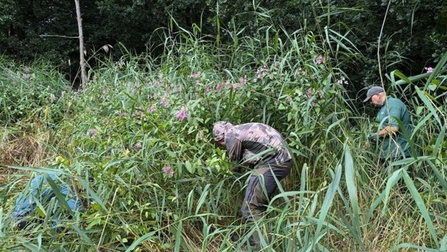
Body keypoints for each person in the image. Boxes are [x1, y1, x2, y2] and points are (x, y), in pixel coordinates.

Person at [212, 121, 292, 249]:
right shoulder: (242, 129)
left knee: (250, 208)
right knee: (258, 204)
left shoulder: (231, 136)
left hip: (273, 163)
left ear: (220, 138)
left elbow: (235, 166)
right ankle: (255, 238)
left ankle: (263, 246)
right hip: (283, 160)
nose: (223, 146)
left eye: (220, 144)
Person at [11, 171, 81, 232]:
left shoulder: (57, 174)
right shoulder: (65, 183)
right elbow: (72, 208)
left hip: (19, 211)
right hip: (26, 215)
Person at [363, 86, 413, 164]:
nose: (371, 102)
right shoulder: (382, 108)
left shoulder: (393, 104)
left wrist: (374, 135)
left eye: (370, 99)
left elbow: (393, 128)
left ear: (378, 95)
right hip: (387, 153)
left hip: (399, 152)